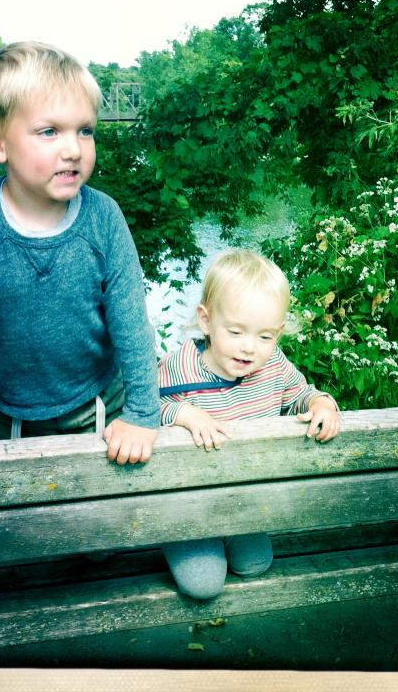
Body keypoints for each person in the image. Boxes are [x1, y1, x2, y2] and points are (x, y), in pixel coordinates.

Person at [0, 41, 160, 487]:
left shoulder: (103, 217)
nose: (73, 149)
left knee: (102, 517)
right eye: (49, 132)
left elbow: (132, 324)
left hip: (99, 408)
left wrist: (142, 414)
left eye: (85, 131)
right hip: (10, 416)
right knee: (20, 513)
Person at [157, 249, 342, 599]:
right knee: (204, 585)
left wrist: (322, 404)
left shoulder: (272, 366)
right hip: (189, 506)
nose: (249, 348)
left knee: (255, 563)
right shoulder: (180, 367)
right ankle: (179, 539)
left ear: (279, 333)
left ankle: (230, 533)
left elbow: (301, 393)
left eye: (264, 337)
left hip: (243, 499)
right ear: (206, 320)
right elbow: (145, 411)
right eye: (236, 332)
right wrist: (183, 414)